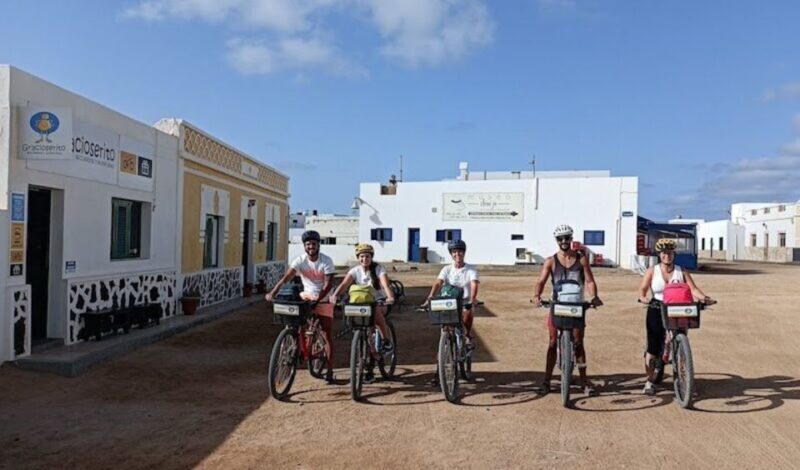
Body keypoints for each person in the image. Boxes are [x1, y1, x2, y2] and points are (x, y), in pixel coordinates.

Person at [637, 238, 715, 395]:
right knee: (653, 347)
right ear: (659, 254)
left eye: (670, 253)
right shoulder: (653, 271)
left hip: (677, 308)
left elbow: (693, 289)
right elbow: (642, 289)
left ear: (674, 254)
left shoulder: (682, 271)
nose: (667, 256)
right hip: (657, 307)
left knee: (681, 342)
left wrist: (704, 298)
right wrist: (644, 298)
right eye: (664, 253)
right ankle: (649, 380)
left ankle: (685, 381)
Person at [533, 224, 603, 396]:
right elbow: (540, 281)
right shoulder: (550, 261)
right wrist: (537, 295)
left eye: (567, 238)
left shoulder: (581, 259)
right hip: (556, 305)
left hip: (576, 305)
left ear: (571, 239)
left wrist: (593, 296)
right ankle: (547, 381)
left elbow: (589, 281)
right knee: (551, 343)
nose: (564, 241)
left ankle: (584, 380)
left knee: (578, 343)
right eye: (560, 238)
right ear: (556, 240)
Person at [266, 230, 336, 382]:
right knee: (296, 322)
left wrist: (319, 298)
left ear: (318, 245)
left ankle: (330, 370)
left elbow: (328, 282)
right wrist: (273, 292)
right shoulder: (300, 260)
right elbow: (286, 278)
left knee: (326, 333)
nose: (311, 247)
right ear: (305, 246)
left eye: (314, 244)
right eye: (308, 244)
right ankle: (294, 346)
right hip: (307, 295)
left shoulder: (326, 261)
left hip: (324, 297)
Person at [330, 243, 396, 382]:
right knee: (363, 332)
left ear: (371, 257)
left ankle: (385, 340)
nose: (364, 259)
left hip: (379, 301)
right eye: (361, 256)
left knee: (376, 312)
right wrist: (335, 295)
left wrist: (390, 297)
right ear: (358, 258)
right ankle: (366, 361)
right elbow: (343, 285)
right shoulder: (354, 271)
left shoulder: (379, 269)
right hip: (360, 304)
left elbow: (385, 285)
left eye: (367, 256)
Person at [425, 239, 480, 347]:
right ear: (451, 254)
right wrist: (431, 295)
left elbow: (474, 284)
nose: (457, 254)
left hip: (464, 299)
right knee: (444, 320)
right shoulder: (447, 269)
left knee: (468, 312)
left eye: (460, 251)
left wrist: (472, 299)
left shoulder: (471, 269)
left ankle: (468, 335)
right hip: (449, 299)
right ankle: (443, 349)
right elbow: (438, 282)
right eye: (454, 252)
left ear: (464, 252)